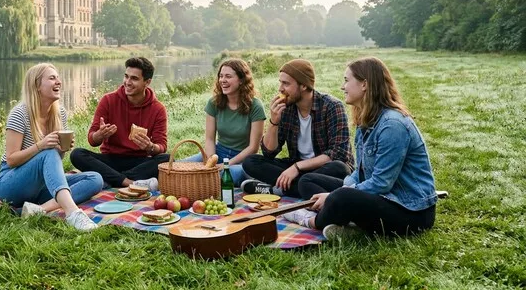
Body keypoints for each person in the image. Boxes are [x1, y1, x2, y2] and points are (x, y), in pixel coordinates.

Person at [285, 57, 438, 239]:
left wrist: (334, 195)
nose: (343, 87)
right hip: (383, 197)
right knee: (308, 181)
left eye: (346, 80)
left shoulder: (392, 125)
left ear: (364, 84)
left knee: (341, 197)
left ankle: (311, 221)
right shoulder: (366, 121)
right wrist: (342, 188)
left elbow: (381, 183)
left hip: (411, 212)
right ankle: (351, 222)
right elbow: (361, 172)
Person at [0, 63, 103, 231]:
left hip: (40, 185)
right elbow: (11, 160)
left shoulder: (60, 113)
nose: (58, 82)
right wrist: (41, 146)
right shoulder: (20, 114)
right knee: (48, 152)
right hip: (11, 184)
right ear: (37, 86)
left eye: (58, 78)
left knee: (95, 179)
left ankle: (39, 209)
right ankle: (73, 214)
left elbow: (54, 159)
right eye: (52, 78)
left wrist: (61, 149)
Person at [241, 59, 353, 197]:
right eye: (280, 82)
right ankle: (300, 186)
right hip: (298, 167)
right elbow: (269, 153)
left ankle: (277, 189)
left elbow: (338, 154)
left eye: (286, 83)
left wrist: (297, 167)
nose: (280, 89)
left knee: (339, 167)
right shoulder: (286, 108)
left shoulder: (332, 106)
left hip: (324, 169)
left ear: (304, 86)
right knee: (251, 161)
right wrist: (274, 121)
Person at [70, 57, 169, 190]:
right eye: (126, 76)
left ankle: (111, 179)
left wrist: (150, 147)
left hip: (138, 162)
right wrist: (99, 135)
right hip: (110, 160)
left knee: (167, 159)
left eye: (134, 78)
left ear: (147, 82)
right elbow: (92, 140)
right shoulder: (108, 100)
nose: (128, 82)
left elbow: (162, 146)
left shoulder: (158, 109)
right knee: (77, 154)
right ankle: (129, 182)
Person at [182, 59, 265, 185]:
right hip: (218, 153)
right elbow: (210, 139)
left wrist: (226, 165)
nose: (222, 80)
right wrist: (211, 161)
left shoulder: (256, 106)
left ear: (241, 80)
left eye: (228, 76)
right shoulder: (214, 103)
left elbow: (253, 148)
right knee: (180, 166)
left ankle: (201, 183)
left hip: (242, 160)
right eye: (221, 76)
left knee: (227, 175)